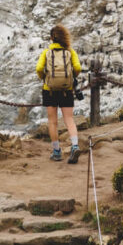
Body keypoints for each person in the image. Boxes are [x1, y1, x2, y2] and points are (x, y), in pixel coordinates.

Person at [36, 24, 82, 163]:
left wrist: (44, 78)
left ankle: (56, 152)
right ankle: (74, 146)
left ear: (51, 38)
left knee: (53, 122)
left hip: (49, 90)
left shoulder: (46, 52)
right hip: (66, 90)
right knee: (69, 120)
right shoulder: (70, 52)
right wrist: (71, 76)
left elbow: (38, 68)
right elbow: (78, 67)